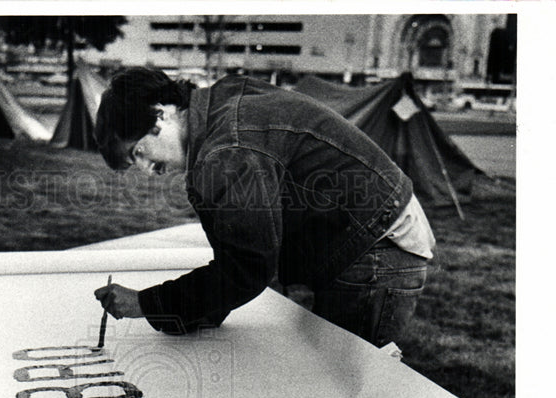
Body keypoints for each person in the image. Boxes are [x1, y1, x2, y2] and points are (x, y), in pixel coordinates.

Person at [93, 67, 435, 347]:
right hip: (368, 236)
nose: (146, 169)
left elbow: (247, 267)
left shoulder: (228, 147)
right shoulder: (219, 107)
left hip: (378, 248)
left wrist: (147, 304)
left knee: (345, 389)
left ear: (161, 114)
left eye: (137, 151)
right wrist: (194, 314)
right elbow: (236, 254)